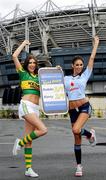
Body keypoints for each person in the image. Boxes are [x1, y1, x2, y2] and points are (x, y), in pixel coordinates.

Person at [64, 36, 99, 177]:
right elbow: (53, 85)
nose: (79, 67)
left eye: (80, 65)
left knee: (76, 129)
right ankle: (79, 167)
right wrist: (56, 70)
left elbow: (91, 60)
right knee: (77, 137)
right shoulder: (65, 79)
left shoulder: (84, 76)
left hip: (84, 106)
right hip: (72, 110)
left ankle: (90, 135)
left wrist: (95, 44)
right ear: (72, 66)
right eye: (77, 64)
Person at [12, 40, 48, 177]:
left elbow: (51, 81)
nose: (32, 64)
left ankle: (28, 169)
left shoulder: (39, 77)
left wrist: (57, 70)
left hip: (35, 108)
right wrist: (23, 44)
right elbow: (14, 56)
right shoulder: (22, 73)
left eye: (34, 63)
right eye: (30, 62)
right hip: (26, 106)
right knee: (43, 130)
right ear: (27, 64)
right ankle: (20, 143)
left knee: (30, 139)